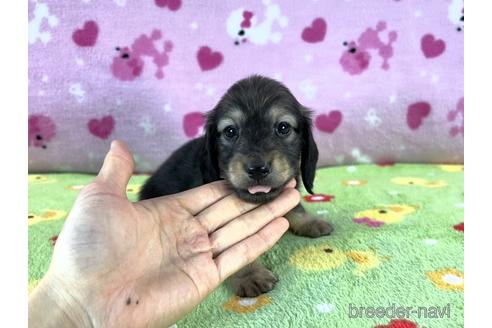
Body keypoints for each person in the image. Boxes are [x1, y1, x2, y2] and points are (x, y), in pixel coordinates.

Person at [28, 140, 300, 327]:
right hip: (162, 202)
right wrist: (70, 301)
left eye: (283, 129)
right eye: (231, 132)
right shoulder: (206, 166)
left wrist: (75, 313)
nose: (257, 154)